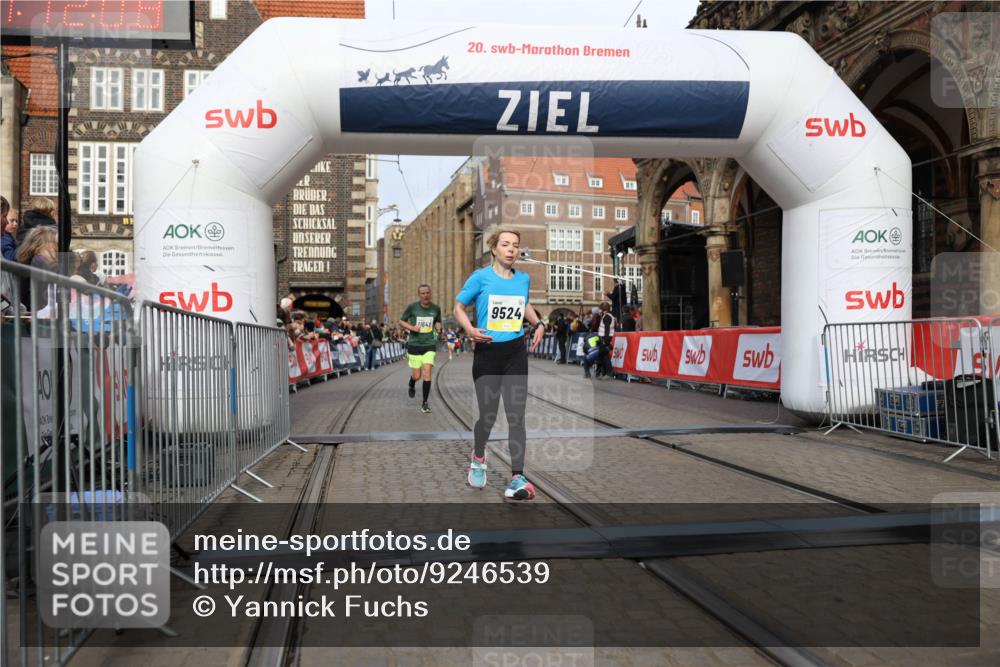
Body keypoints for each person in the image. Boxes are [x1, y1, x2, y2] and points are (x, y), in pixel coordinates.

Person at [454, 229, 544, 500]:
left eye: (515, 245)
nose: (511, 250)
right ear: (493, 248)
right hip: (488, 352)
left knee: (516, 415)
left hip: (515, 352)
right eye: (505, 244)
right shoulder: (480, 277)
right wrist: (470, 329)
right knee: (488, 416)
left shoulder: (524, 279)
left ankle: (517, 476)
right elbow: (458, 306)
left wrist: (538, 322)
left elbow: (524, 304)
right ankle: (479, 455)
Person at [399, 284, 442, 414]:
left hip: (429, 344)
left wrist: (438, 328)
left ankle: (424, 403)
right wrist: (411, 328)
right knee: (417, 376)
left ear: (430, 293)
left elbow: (437, 322)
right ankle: (412, 382)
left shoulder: (436, 308)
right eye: (423, 293)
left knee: (427, 373)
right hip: (414, 345)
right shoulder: (413, 307)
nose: (425, 295)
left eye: (427, 292)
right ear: (419, 295)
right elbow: (401, 321)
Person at [16, 226, 59, 309]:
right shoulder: (36, 267)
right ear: (38, 248)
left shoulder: (36, 266)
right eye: (55, 244)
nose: (58, 249)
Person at [595, 302, 618, 379]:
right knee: (603, 356)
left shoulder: (607, 317)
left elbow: (607, 329)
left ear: (603, 310)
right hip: (604, 338)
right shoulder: (607, 316)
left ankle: (608, 373)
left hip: (604, 339)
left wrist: (605, 341)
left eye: (600, 309)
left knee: (604, 357)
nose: (599, 311)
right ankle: (604, 373)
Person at [1, 197, 18, 261]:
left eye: (16, 221)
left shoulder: (9, 236)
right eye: (12, 220)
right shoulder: (4, 238)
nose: (15, 224)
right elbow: (10, 258)